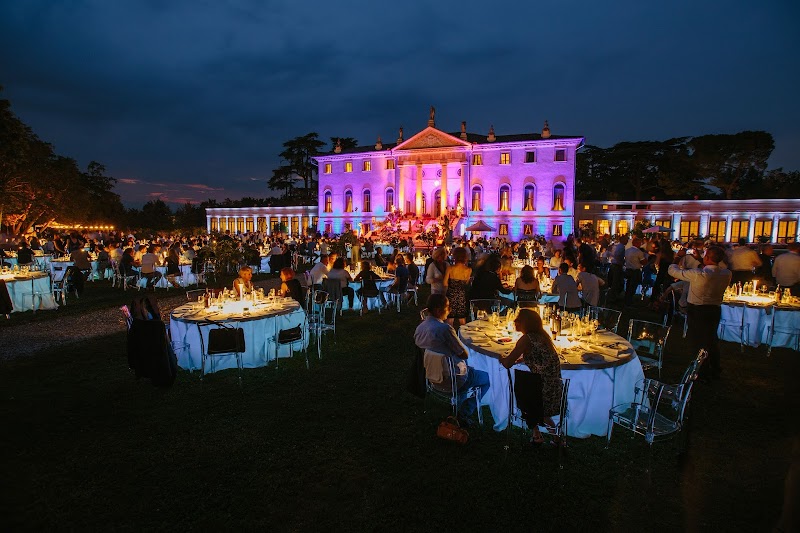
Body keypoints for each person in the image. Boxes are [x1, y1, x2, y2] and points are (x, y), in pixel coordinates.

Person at [414, 294, 490, 426]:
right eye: (448, 307)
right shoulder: (444, 329)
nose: (450, 310)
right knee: (487, 379)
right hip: (453, 379)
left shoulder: (420, 328)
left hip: (431, 377)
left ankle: (457, 406)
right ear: (438, 310)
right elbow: (464, 354)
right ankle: (463, 413)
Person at [500, 308, 563, 445]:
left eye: (518, 319)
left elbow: (507, 364)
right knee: (527, 388)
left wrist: (500, 357)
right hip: (555, 386)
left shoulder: (526, 339)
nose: (515, 321)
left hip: (542, 388)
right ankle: (554, 438)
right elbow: (541, 357)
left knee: (523, 390)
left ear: (526, 323)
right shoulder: (542, 336)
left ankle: (539, 434)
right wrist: (524, 359)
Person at [668, 246, 732, 380]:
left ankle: (701, 371)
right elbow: (712, 267)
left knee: (698, 341)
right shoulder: (726, 274)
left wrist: (678, 257)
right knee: (711, 339)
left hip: (698, 310)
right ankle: (715, 367)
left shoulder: (698, 274)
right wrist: (699, 259)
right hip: (714, 310)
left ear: (707, 257)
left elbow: (672, 271)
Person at [443, 247, 472, 328]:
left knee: (450, 319)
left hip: (451, 295)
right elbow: (466, 283)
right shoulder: (469, 270)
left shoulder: (450, 268)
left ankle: (449, 337)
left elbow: (444, 283)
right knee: (462, 319)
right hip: (461, 296)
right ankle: (464, 338)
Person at [624, 237, 647, 306]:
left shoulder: (627, 250)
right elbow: (643, 262)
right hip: (635, 271)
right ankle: (629, 301)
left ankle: (626, 299)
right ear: (636, 243)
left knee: (628, 285)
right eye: (640, 243)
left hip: (628, 269)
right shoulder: (638, 252)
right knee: (633, 286)